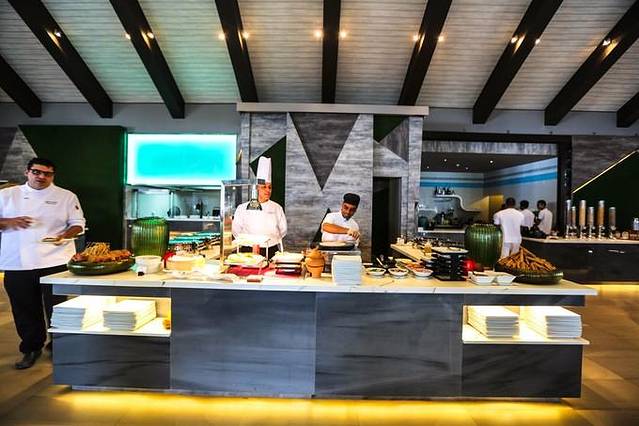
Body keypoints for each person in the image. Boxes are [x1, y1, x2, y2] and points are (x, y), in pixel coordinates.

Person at [0, 158, 85, 369]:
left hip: (56, 260)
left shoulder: (66, 196)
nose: (41, 177)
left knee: (58, 307)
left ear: (52, 176)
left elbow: (78, 224)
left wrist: (65, 235)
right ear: (27, 172)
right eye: (36, 172)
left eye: (47, 173)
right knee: (24, 308)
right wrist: (9, 222)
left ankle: (58, 345)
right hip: (17, 262)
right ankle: (31, 348)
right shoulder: (7, 195)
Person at [232, 157, 287, 259]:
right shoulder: (242, 208)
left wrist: (271, 240)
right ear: (257, 188)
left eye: (270, 187)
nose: (268, 190)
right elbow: (236, 231)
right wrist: (250, 243)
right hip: (248, 251)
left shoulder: (277, 208)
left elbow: (283, 230)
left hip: (271, 251)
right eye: (264, 187)